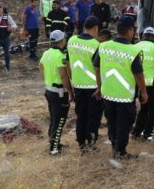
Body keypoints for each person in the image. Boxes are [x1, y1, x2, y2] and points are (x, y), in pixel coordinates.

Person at [94, 16, 148, 160]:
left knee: (111, 121)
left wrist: (99, 88)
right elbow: (139, 74)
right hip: (124, 96)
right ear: (130, 31)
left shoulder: (103, 46)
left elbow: (97, 68)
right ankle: (121, 152)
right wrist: (143, 91)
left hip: (107, 93)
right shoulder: (133, 50)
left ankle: (114, 146)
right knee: (124, 124)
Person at [67, 16, 103, 153]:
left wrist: (73, 80)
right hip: (93, 87)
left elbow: (67, 64)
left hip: (78, 85)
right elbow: (98, 69)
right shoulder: (96, 45)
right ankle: (90, 142)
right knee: (93, 116)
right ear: (95, 28)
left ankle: (81, 142)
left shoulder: (71, 40)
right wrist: (100, 87)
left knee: (81, 115)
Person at [39, 30, 74, 156]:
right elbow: (63, 76)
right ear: (61, 41)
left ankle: (54, 143)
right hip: (59, 92)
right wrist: (70, 91)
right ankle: (54, 148)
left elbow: (41, 66)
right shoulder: (60, 56)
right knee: (60, 120)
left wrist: (47, 78)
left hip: (49, 90)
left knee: (54, 118)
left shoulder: (46, 53)